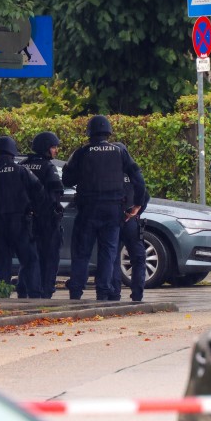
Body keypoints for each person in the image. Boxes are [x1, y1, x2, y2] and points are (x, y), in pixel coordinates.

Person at [62, 115, 145, 301]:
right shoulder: (119, 152)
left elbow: (67, 179)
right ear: (108, 131)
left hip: (88, 209)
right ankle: (103, 292)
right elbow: (138, 178)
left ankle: (76, 292)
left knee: (82, 251)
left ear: (89, 132)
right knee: (108, 252)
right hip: (113, 210)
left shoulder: (81, 152)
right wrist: (137, 204)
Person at [0, 135, 46, 298]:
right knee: (30, 259)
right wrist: (34, 210)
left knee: (3, 262)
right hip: (20, 223)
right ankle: (34, 294)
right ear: (12, 151)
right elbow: (39, 190)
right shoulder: (21, 170)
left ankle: (2, 294)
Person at [20, 132, 64, 299]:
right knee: (49, 258)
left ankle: (24, 290)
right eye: (53, 147)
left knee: (29, 258)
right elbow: (56, 194)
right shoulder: (49, 167)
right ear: (46, 148)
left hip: (25, 219)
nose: (55, 151)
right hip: (46, 221)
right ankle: (45, 292)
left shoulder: (23, 165)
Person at [111, 142, 150, 302]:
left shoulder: (108, 173)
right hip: (131, 220)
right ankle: (137, 295)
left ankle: (113, 294)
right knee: (138, 258)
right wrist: (136, 212)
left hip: (112, 218)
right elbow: (145, 195)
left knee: (111, 257)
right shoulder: (133, 171)